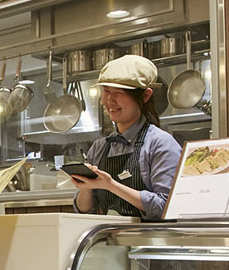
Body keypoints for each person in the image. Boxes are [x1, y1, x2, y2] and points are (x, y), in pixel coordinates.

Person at [70, 55, 183, 221]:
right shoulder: (100, 147)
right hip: (111, 241)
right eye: (106, 91)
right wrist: (84, 186)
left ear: (145, 96)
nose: (109, 101)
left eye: (118, 93)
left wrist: (110, 185)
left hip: (151, 242)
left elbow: (166, 207)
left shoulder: (160, 143)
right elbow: (85, 211)